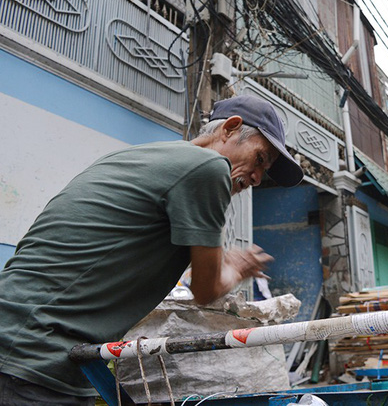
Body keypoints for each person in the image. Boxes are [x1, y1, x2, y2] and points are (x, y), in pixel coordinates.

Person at [0, 94, 304, 404]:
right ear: (230, 128)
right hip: (32, 358)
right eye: (260, 159)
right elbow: (205, 290)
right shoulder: (210, 168)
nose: (256, 178)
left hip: (19, 336)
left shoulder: (139, 156)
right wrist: (234, 268)